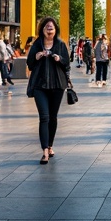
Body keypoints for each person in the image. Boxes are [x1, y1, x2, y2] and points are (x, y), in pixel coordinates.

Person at [26, 16, 71, 164]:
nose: (49, 29)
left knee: (53, 117)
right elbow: (30, 64)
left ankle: (50, 145)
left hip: (57, 85)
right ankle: (45, 151)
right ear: (42, 30)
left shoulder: (60, 44)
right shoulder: (37, 44)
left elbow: (67, 64)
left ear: (55, 29)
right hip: (40, 85)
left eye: (51, 27)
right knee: (44, 117)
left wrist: (59, 59)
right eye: (47, 27)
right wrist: (37, 56)